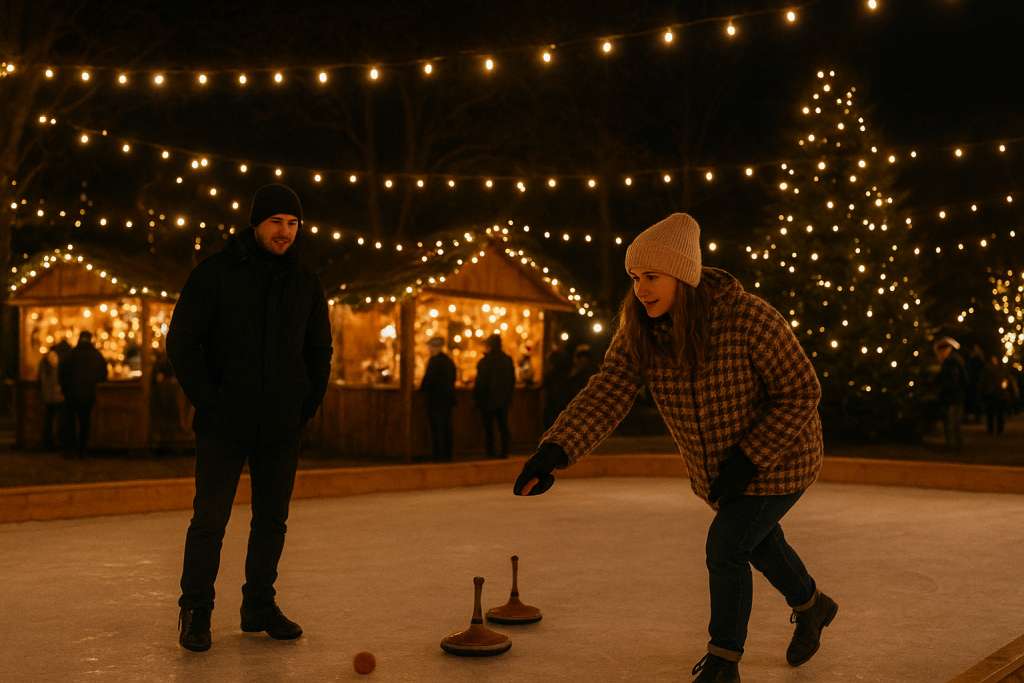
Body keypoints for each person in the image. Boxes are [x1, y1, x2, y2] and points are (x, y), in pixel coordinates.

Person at [513, 213, 836, 683]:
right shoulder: (642, 331)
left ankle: (724, 661)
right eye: (634, 278)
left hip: (783, 458)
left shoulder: (749, 318)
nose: (641, 289)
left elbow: (802, 391)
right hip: (721, 470)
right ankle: (813, 606)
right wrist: (554, 452)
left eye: (651, 276)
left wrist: (749, 460)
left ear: (683, 276)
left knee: (726, 546)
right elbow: (610, 390)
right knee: (758, 544)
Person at [167, 183, 333, 653]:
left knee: (271, 521)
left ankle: (259, 604)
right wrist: (210, 400)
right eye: (276, 222)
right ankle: (196, 608)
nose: (285, 232)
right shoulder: (216, 274)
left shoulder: (304, 280)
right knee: (210, 519)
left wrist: (305, 404)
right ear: (256, 223)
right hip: (224, 422)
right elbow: (182, 342)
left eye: (293, 224)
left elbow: (319, 348)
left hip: (281, 423)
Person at [60, 331, 109, 457]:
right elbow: (103, 374)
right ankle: (82, 448)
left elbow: (62, 373)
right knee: (84, 422)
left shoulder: (71, 354)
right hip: (88, 394)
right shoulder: (97, 355)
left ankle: (70, 449)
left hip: (71, 394)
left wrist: (65, 389)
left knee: (70, 422)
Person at [473, 333, 516, 458]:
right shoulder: (507, 360)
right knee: (503, 426)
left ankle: (490, 452)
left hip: (487, 400)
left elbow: (480, 383)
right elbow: (512, 380)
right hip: (503, 399)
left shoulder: (485, 362)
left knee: (489, 428)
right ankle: (504, 451)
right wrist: (509, 396)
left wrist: (476, 399)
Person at [420, 336, 456, 461]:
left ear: (435, 347)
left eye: (430, 346)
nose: (429, 349)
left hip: (435, 400)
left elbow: (428, 380)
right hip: (447, 399)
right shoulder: (448, 361)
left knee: (437, 428)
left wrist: (422, 389)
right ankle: (447, 454)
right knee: (446, 427)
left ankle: (438, 455)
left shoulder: (434, 362)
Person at [933, 337, 967, 451]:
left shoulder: (951, 362)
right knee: (954, 422)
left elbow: (952, 381)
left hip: (953, 397)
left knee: (952, 422)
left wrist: (941, 388)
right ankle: (956, 445)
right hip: (956, 396)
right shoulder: (955, 360)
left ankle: (953, 446)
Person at [980, 355, 1015, 436]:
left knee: (998, 413)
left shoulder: (1001, 369)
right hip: (992, 393)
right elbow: (983, 381)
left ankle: (998, 429)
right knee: (991, 413)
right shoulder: (988, 369)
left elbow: (1006, 380)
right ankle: (992, 429)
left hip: (998, 394)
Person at [37, 348, 64, 450]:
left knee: (49, 420)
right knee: (55, 420)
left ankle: (48, 442)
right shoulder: (54, 368)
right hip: (56, 397)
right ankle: (54, 442)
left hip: (48, 397)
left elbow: (41, 381)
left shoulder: (43, 365)